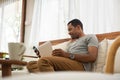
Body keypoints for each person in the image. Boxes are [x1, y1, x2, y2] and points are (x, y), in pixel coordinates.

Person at [27, 19, 99, 72]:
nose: (69, 33)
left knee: (43, 61)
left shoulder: (90, 37)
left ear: (78, 27)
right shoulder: (70, 43)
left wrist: (66, 54)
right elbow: (65, 58)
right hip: (68, 63)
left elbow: (92, 57)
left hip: (81, 66)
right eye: (68, 30)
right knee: (31, 64)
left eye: (70, 29)